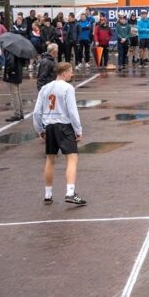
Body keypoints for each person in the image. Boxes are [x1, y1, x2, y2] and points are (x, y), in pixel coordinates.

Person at [34, 62, 87, 206]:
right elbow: (72, 111)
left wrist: (40, 129)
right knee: (72, 158)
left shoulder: (45, 88)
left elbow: (37, 112)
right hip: (64, 126)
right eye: (70, 71)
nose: (72, 74)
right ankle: (70, 192)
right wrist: (78, 130)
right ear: (64, 73)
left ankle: (48, 194)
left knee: (50, 159)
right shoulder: (67, 88)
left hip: (49, 126)